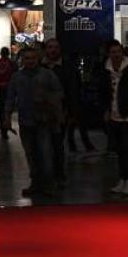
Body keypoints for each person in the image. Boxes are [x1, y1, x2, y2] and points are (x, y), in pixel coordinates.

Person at [4, 47, 63, 197]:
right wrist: (7, 117)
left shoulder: (47, 75)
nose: (30, 61)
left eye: (32, 58)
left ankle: (49, 184)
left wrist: (49, 102)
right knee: (30, 154)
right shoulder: (17, 77)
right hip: (25, 121)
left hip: (44, 120)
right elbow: (10, 97)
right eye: (27, 58)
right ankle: (36, 183)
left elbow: (59, 93)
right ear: (22, 60)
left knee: (45, 153)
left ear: (38, 59)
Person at [41, 38, 88, 184]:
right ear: (46, 49)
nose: (53, 50)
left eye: (55, 47)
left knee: (57, 144)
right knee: (42, 146)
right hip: (40, 113)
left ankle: (58, 175)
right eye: (50, 47)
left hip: (60, 113)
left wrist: (73, 112)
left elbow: (74, 90)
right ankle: (43, 177)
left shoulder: (68, 68)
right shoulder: (39, 67)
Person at [99, 40, 128, 195]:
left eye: (118, 52)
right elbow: (104, 92)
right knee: (120, 151)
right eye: (113, 52)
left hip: (126, 116)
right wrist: (106, 110)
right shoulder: (106, 70)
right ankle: (122, 179)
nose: (116, 55)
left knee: (126, 149)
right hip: (114, 116)